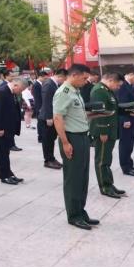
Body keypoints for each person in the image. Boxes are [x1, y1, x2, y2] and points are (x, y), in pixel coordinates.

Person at [52, 63, 99, 231]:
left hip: (82, 137)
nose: (86, 82)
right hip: (71, 138)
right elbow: (58, 118)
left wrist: (96, 114)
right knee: (73, 178)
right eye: (84, 78)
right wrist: (65, 143)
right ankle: (74, 215)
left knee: (83, 177)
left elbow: (77, 114)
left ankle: (81, 211)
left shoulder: (75, 91)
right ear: (75, 75)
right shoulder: (63, 93)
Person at [90, 72, 124, 199]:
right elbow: (99, 112)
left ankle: (109, 183)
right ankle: (104, 187)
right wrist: (102, 131)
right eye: (117, 84)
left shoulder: (107, 90)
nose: (118, 87)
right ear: (110, 79)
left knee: (107, 160)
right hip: (103, 131)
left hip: (110, 130)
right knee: (102, 161)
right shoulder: (99, 91)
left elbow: (112, 108)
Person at [0, 77, 27, 185]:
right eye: (20, 90)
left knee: (6, 152)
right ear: (15, 85)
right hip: (1, 129)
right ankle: (4, 176)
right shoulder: (1, 92)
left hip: (8, 128)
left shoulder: (11, 92)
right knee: (1, 153)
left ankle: (9, 173)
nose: (20, 92)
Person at [40, 69, 65, 170]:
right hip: (47, 118)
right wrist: (48, 117)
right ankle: (48, 160)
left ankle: (52, 158)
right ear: (60, 76)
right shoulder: (49, 84)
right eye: (64, 79)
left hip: (52, 116)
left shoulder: (54, 84)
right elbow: (46, 101)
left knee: (51, 139)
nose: (64, 81)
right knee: (47, 140)